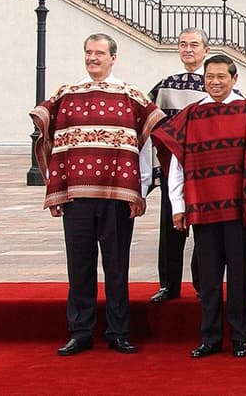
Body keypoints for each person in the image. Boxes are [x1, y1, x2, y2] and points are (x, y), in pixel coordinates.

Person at [31, 33, 163, 356]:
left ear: (113, 57)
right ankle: (81, 331)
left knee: (117, 266)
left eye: (99, 53)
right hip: (76, 196)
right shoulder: (66, 94)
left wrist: (140, 191)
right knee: (79, 266)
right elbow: (51, 140)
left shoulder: (131, 95)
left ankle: (118, 332)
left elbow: (143, 148)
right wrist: (56, 189)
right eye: (88, 52)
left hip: (117, 196)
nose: (93, 58)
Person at [152, 54, 246, 358]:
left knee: (241, 278)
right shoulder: (189, 116)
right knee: (208, 281)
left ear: (234, 78)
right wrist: (178, 205)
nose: (215, 82)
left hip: (242, 211)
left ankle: (241, 337)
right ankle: (209, 338)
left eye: (221, 77)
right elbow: (177, 167)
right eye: (209, 77)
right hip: (203, 210)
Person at [147, 27, 211, 304]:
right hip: (174, 169)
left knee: (205, 231)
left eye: (194, 45)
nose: (188, 49)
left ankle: (202, 282)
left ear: (205, 50)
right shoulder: (165, 86)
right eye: (183, 44)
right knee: (171, 228)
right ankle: (168, 284)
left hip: (207, 172)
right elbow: (152, 126)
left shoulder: (215, 83)